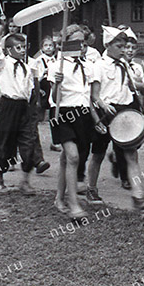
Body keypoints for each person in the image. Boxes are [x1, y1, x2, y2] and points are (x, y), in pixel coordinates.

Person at [90, 26, 144, 210]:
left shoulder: (125, 64)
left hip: (125, 110)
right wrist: (102, 107)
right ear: (107, 45)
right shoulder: (99, 66)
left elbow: (131, 86)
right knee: (98, 153)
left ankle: (138, 196)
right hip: (106, 111)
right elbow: (94, 95)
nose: (122, 49)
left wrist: (140, 92)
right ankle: (91, 188)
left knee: (131, 154)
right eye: (118, 46)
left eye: (124, 45)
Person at [0, 33, 49, 193]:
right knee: (4, 142)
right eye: (18, 48)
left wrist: (33, 104)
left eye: (24, 47)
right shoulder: (3, 64)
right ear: (8, 50)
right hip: (8, 106)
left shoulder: (27, 67)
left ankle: (25, 181)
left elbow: (29, 88)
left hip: (24, 106)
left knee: (28, 141)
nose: (22, 50)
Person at [49, 24, 95, 219]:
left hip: (82, 114)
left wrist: (96, 118)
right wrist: (57, 83)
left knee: (67, 159)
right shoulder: (57, 66)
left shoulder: (89, 66)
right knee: (73, 157)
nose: (81, 46)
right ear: (66, 43)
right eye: (76, 42)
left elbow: (90, 96)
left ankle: (59, 198)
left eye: (83, 42)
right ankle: (73, 203)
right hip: (63, 113)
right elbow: (54, 97)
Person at [37, 35, 60, 152]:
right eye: (46, 45)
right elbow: (36, 78)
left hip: (52, 89)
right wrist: (44, 73)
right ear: (42, 48)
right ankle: (35, 140)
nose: (48, 48)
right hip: (43, 89)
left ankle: (55, 141)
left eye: (50, 45)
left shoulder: (57, 60)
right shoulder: (39, 60)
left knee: (53, 115)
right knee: (39, 116)